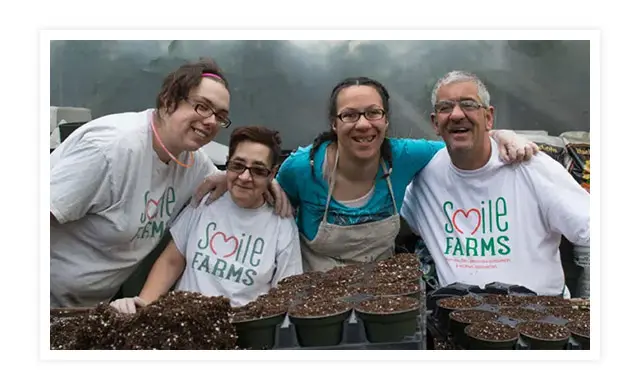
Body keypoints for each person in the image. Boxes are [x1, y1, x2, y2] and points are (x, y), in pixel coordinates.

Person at [197, 76, 536, 273]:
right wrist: (226, 175)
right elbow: (263, 187)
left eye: (373, 113)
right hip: (315, 303)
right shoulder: (304, 168)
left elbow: (461, 142)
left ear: (386, 120)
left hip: (382, 300)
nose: (363, 124)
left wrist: (501, 135)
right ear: (334, 124)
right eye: (350, 115)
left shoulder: (405, 156)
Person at [50, 59, 290, 308]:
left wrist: (264, 181)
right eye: (201, 107)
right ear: (168, 101)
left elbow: (233, 176)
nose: (211, 121)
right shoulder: (109, 149)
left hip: (86, 309)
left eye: (220, 116)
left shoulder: (191, 161)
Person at [401, 70, 590, 296]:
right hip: (459, 319)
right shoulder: (425, 176)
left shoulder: (531, 166)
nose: (457, 114)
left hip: (541, 318)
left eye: (469, 104)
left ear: (489, 117)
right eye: (445, 107)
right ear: (435, 122)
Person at [109, 126, 303, 313]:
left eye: (258, 170)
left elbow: (286, 295)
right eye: (238, 166)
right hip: (183, 324)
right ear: (227, 164)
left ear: (272, 173)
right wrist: (143, 308)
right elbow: (172, 260)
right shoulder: (206, 201)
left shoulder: (282, 226)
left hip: (242, 333)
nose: (245, 177)